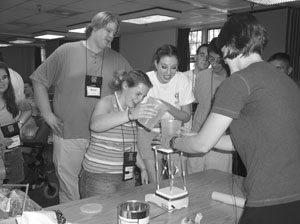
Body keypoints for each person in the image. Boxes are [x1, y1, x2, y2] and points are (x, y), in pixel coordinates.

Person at [162, 13, 300, 223]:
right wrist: (200, 135)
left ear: (230, 47)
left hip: (269, 197)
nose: (225, 62)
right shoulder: (285, 81)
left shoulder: (238, 81)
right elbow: (240, 141)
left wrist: (174, 141)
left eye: (224, 55)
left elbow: (201, 146)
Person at [30, 11, 132, 203]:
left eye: (114, 33)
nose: (111, 36)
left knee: (99, 192)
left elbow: (133, 89)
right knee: (71, 191)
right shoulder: (66, 51)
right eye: (108, 30)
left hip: (104, 139)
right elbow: (38, 80)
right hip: (69, 134)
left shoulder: (118, 59)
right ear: (94, 27)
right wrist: (47, 114)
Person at [79, 70, 156, 198]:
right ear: (125, 85)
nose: (140, 100)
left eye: (143, 96)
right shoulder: (107, 102)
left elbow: (131, 145)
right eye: (138, 94)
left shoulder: (131, 111)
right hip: (99, 176)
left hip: (126, 176)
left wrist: (142, 168)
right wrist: (129, 115)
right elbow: (95, 125)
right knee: (101, 217)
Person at [138, 44, 195, 183]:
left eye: (173, 68)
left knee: (177, 180)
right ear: (156, 64)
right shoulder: (145, 80)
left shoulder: (182, 80)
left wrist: (167, 106)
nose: (168, 73)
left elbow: (186, 116)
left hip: (174, 133)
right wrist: (160, 121)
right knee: (154, 181)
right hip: (148, 133)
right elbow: (139, 117)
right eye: (164, 67)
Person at [187, 38, 231, 174]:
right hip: (197, 133)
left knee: (216, 180)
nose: (216, 64)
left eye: (220, 60)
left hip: (221, 139)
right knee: (193, 180)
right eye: (211, 59)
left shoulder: (233, 79)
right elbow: (199, 101)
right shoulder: (202, 76)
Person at [0, 62, 31, 184]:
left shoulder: (13, 99)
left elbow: (27, 110)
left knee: (14, 190)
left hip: (13, 153)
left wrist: (19, 125)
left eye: (4, 77)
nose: (2, 82)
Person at [183, 44, 210, 130]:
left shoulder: (213, 81)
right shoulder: (183, 77)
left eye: (208, 56)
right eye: (202, 55)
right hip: (184, 124)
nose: (205, 59)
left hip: (203, 125)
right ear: (195, 57)